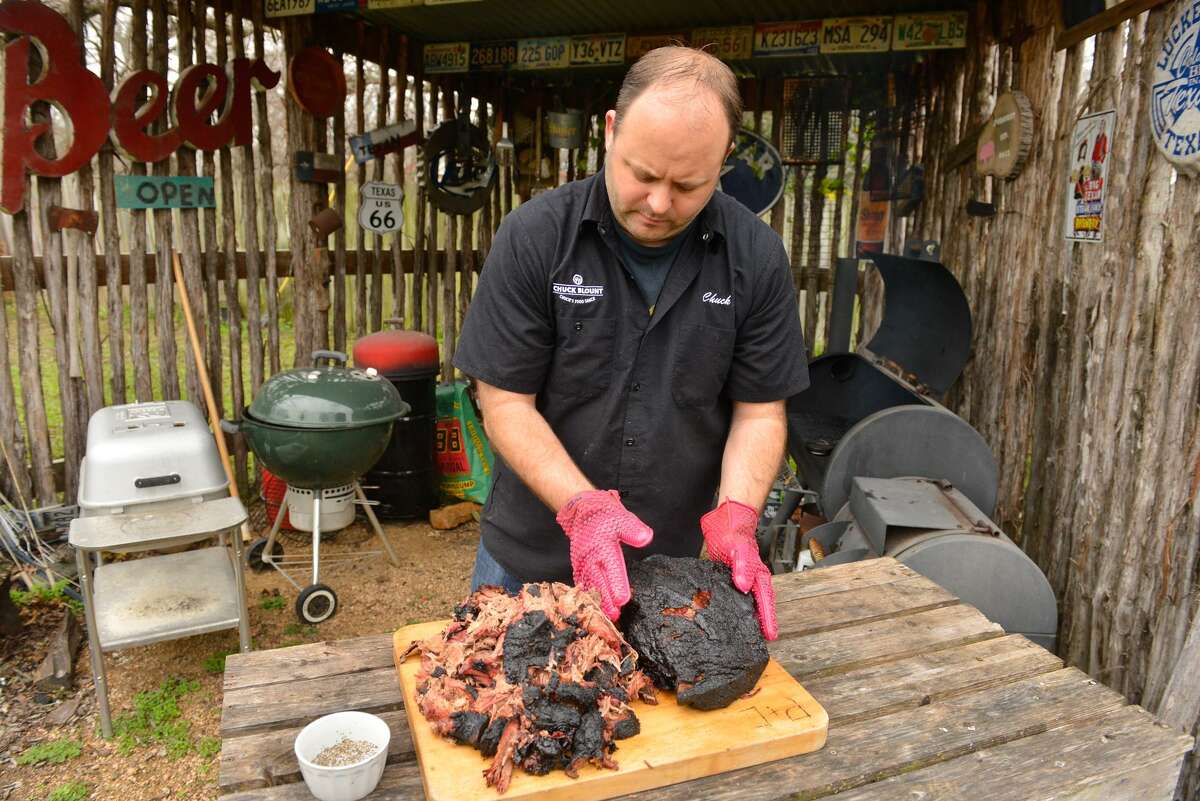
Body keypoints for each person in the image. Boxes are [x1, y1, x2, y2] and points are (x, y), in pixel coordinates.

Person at [453, 46, 809, 641]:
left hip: (670, 570)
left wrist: (737, 515)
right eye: (643, 175)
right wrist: (583, 509)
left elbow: (760, 410)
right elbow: (504, 403)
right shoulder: (535, 238)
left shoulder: (756, 257)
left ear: (723, 163)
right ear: (611, 131)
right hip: (529, 560)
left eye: (688, 185)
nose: (660, 204)